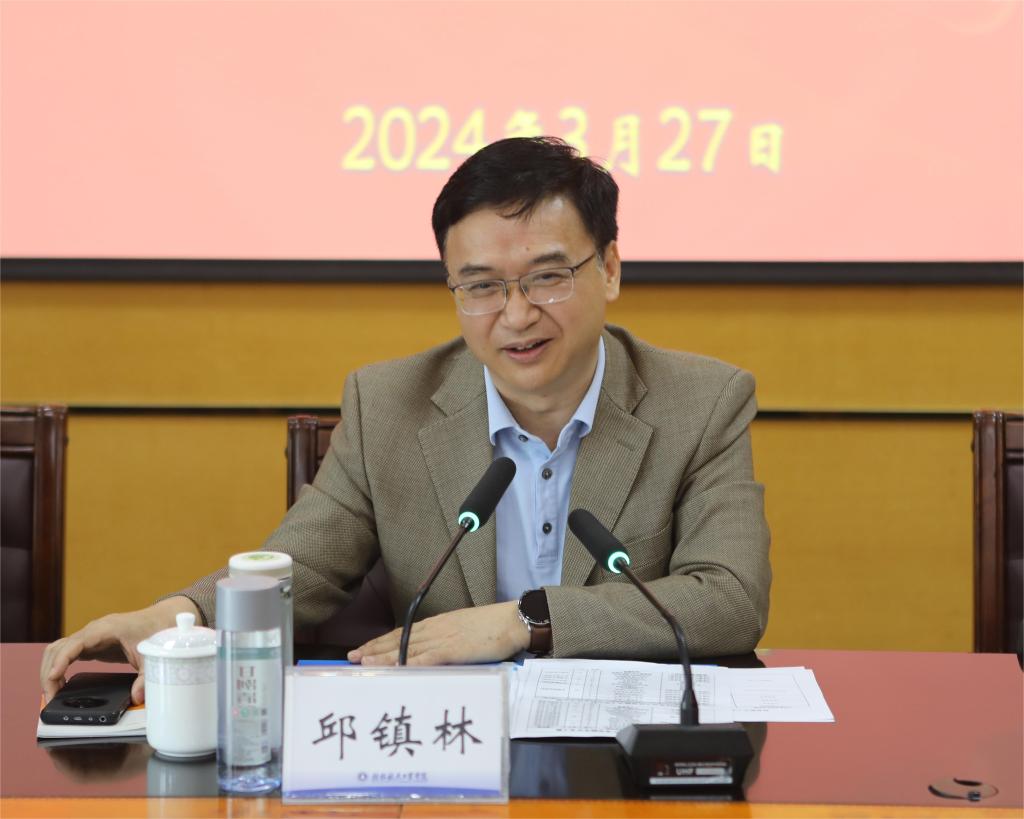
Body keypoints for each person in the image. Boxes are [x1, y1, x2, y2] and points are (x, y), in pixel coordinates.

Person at [41, 137, 770, 704]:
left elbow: (730, 598)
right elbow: (302, 565)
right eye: (481, 286)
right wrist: (178, 617)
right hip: (441, 755)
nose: (516, 315)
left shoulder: (701, 402)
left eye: (547, 277)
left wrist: (521, 621)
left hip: (622, 755)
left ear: (609, 268)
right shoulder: (389, 404)